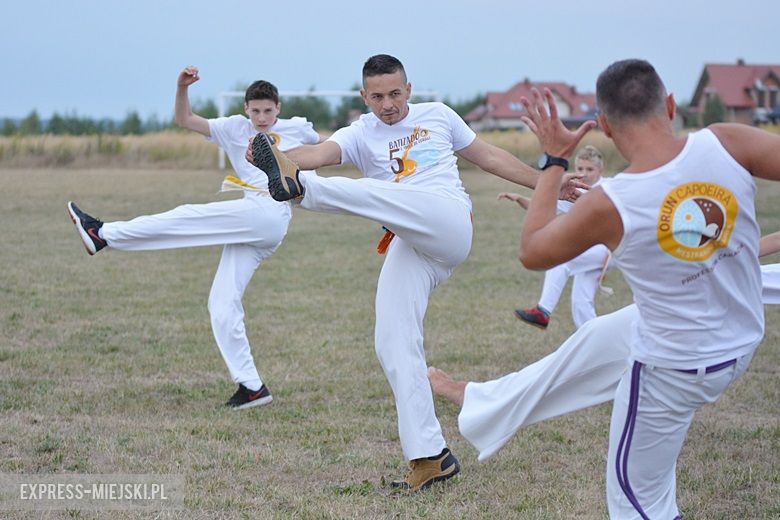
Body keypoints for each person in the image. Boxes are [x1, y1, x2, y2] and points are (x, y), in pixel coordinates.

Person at [431, 59, 780, 518]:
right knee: (599, 336)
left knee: (638, 504)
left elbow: (532, 251)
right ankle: (481, 399)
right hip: (737, 341)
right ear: (671, 105)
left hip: (674, 369)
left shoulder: (612, 203)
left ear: (606, 129)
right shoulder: (729, 140)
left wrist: (554, 161)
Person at [244, 54, 590, 492]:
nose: (386, 104)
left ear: (408, 89)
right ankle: (430, 457)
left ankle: (299, 188)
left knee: (377, 193)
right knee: (391, 340)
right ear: (363, 96)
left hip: (446, 221)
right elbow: (317, 152)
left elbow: (487, 156)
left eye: (394, 93)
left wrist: (549, 181)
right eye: (377, 96)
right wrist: (273, 155)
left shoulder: (438, 116)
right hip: (410, 241)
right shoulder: (359, 133)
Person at [66, 66, 320, 410]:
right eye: (256, 110)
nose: (262, 117)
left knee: (185, 216)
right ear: (246, 108)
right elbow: (184, 119)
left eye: (268, 111)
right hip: (255, 219)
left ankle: (103, 234)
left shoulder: (296, 128)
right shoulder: (232, 127)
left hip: (270, 212)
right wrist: (181, 87)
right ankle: (252, 387)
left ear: (279, 109)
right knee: (221, 303)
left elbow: (335, 147)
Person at [498, 145, 612, 329]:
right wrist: (519, 198)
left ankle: (543, 311)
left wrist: (609, 253)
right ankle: (598, 346)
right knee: (581, 302)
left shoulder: (608, 187)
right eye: (580, 169)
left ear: (601, 170)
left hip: (609, 248)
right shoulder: (576, 191)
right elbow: (546, 206)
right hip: (591, 248)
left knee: (561, 260)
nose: (584, 173)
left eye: (590, 169)